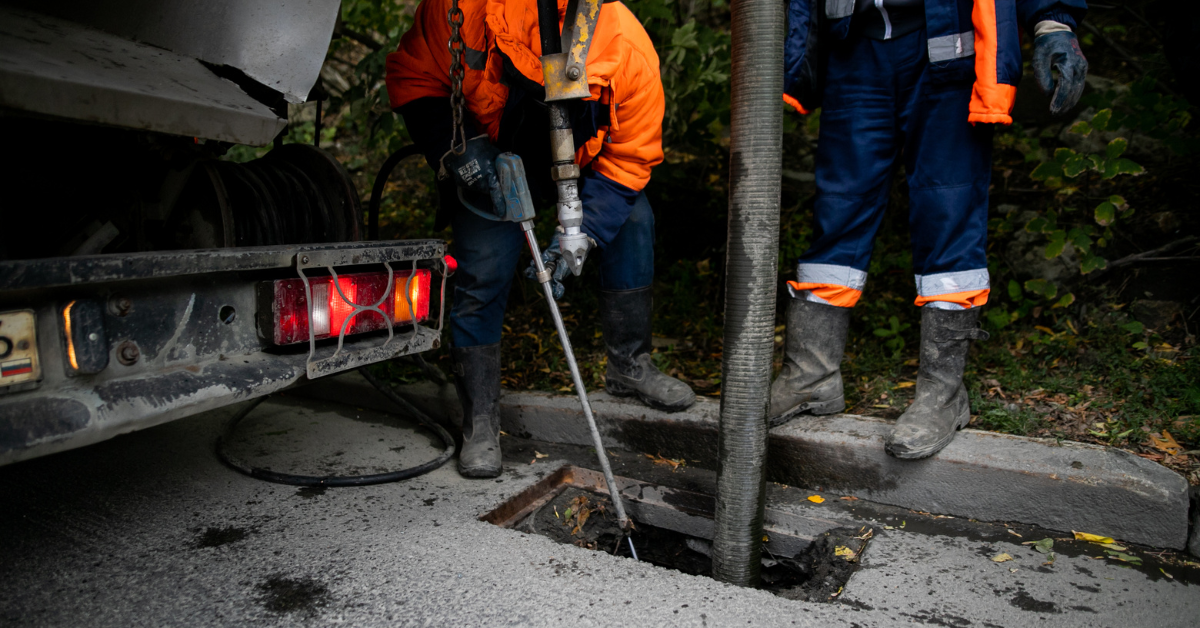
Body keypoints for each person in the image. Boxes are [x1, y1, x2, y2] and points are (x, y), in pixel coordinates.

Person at [386, 0, 696, 478]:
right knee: (485, 262)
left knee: (634, 220)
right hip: (494, 155)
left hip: (583, 163)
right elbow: (417, 79)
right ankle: (481, 417)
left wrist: (585, 229)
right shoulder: (461, 10)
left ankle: (630, 366)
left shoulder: (625, 45)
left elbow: (631, 159)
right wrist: (460, 146)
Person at [775, 0, 1088, 459]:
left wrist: (1053, 21)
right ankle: (812, 376)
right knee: (837, 211)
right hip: (855, 50)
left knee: (948, 210)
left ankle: (942, 394)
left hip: (947, 49)